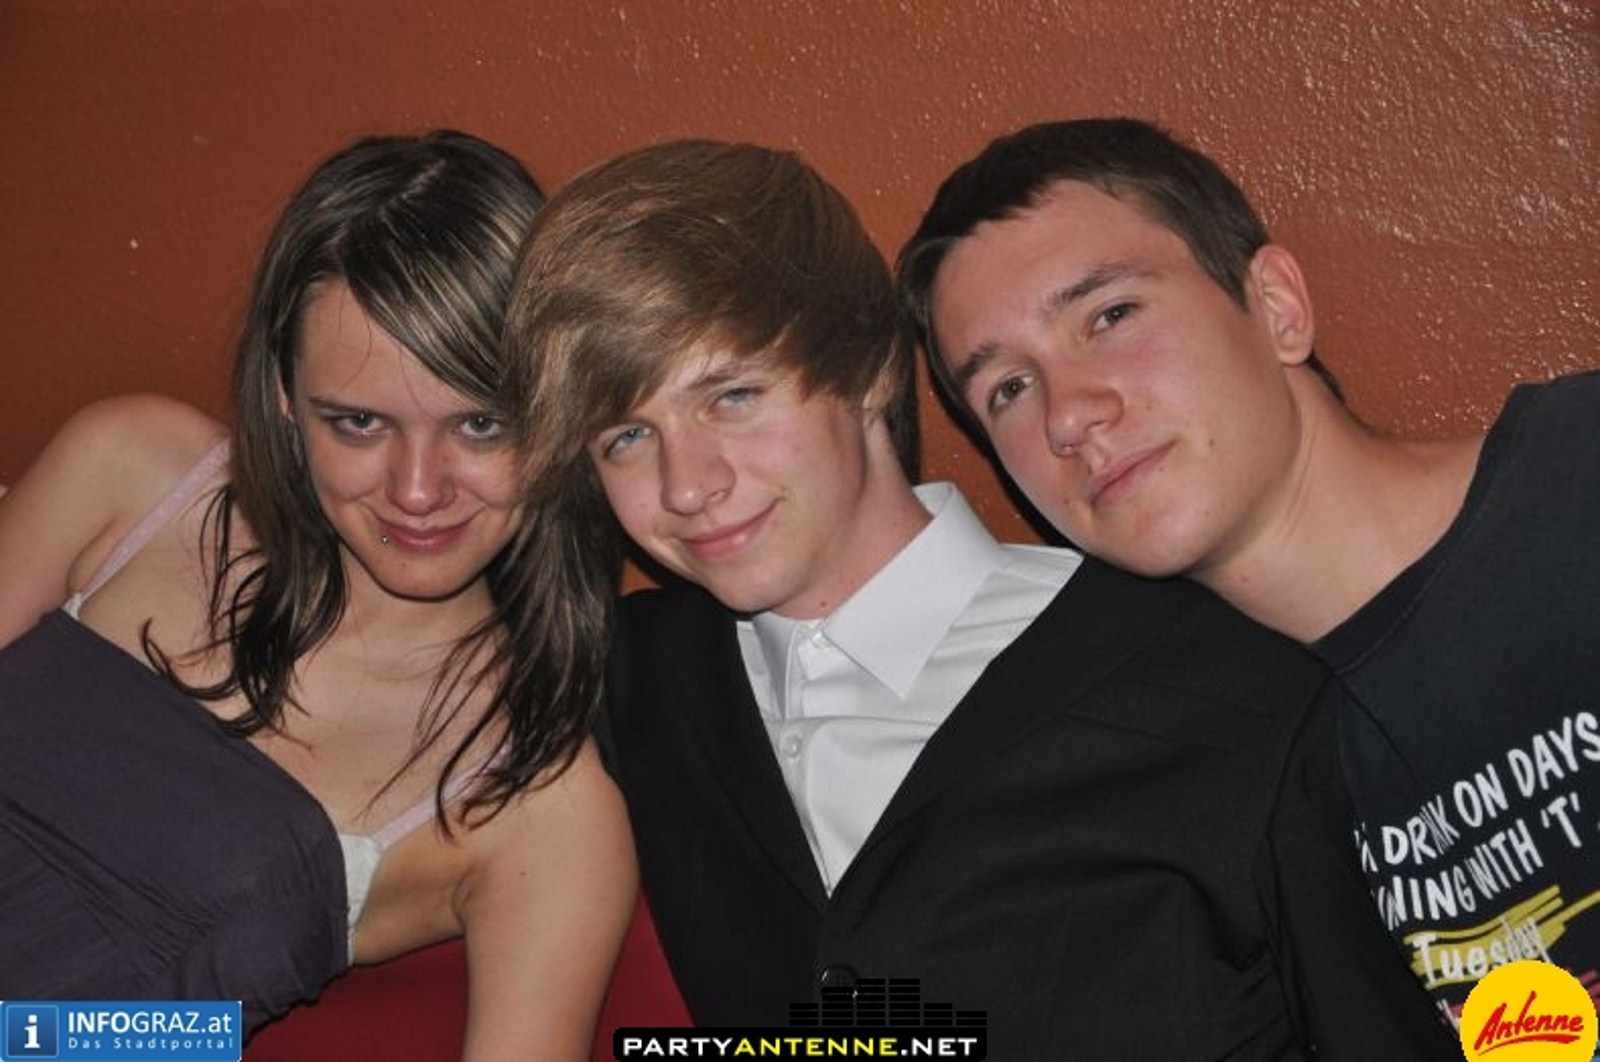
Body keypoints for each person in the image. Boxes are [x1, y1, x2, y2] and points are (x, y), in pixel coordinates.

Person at [504, 138, 1457, 1059]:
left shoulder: (1231, 683)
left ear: (867, 370)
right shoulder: (621, 677)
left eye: (732, 398)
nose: (685, 485)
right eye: (625, 438)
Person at [899, 115, 1600, 1030]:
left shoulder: (1576, 481)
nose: (1068, 416)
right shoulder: (1247, 763)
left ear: (1276, 307)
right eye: (1009, 389)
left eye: (1109, 316)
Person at [0, 130, 635, 1055]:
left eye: (480, 424)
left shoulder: (541, 809)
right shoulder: (132, 471)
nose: (417, 490)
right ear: (285, 396)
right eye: (360, 422)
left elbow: (178, 1032)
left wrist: (33, 1037)